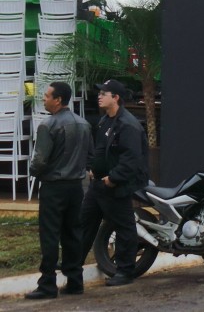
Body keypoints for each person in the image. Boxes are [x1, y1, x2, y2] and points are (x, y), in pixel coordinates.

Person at [25, 82, 92, 300]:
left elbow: (39, 161)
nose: (43, 99)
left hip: (54, 186)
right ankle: (75, 280)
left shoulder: (48, 125)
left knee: (50, 235)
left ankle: (47, 284)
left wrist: (34, 171)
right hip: (75, 187)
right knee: (73, 233)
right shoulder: (84, 124)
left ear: (58, 100)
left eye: (46, 96)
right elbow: (89, 155)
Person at [79, 79, 149, 288]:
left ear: (116, 97)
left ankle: (125, 271)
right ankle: (72, 263)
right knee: (84, 224)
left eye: (104, 93)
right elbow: (100, 150)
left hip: (115, 185)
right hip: (98, 184)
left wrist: (113, 179)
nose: (99, 96)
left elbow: (132, 159)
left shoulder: (128, 125)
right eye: (99, 93)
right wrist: (92, 168)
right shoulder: (105, 121)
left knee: (124, 228)